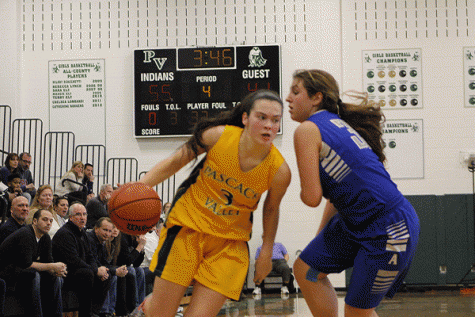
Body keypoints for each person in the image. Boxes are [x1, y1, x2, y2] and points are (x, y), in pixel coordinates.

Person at [139, 89, 291, 317]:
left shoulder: (279, 170)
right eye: (262, 117)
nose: (269, 125)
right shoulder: (218, 136)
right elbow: (175, 162)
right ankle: (146, 309)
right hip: (186, 229)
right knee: (161, 313)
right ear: (245, 118)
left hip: (229, 244)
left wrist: (267, 252)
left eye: (275, 120)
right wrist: (139, 187)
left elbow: (271, 209)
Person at [287, 69, 420, 317]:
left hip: (387, 227)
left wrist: (284, 179)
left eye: (296, 92)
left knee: (357, 312)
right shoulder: (337, 124)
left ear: (316, 97)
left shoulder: (307, 129)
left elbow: (312, 197)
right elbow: (334, 198)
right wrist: (319, 239)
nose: (288, 99)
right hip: (356, 222)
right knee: (307, 269)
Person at [0, 208, 66, 317]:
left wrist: (57, 271)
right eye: (45, 220)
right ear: (34, 221)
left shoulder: (45, 237)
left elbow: (48, 261)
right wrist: (53, 266)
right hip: (6, 271)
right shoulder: (25, 233)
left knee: (56, 278)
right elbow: (27, 264)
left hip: (20, 270)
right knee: (33, 275)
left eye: (51, 221)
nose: (48, 223)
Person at [52, 202, 112, 317]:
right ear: (70, 217)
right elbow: (73, 260)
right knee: (88, 273)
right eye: (78, 214)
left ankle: (95, 311)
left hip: (79, 269)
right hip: (65, 271)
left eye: (84, 214)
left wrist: (98, 269)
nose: (82, 217)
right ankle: (86, 313)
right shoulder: (65, 233)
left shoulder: (82, 233)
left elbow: (90, 256)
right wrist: (95, 271)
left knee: (105, 275)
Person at [141, 220, 164, 295]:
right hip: (142, 268)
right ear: (157, 231)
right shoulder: (151, 239)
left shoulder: (161, 241)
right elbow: (153, 260)